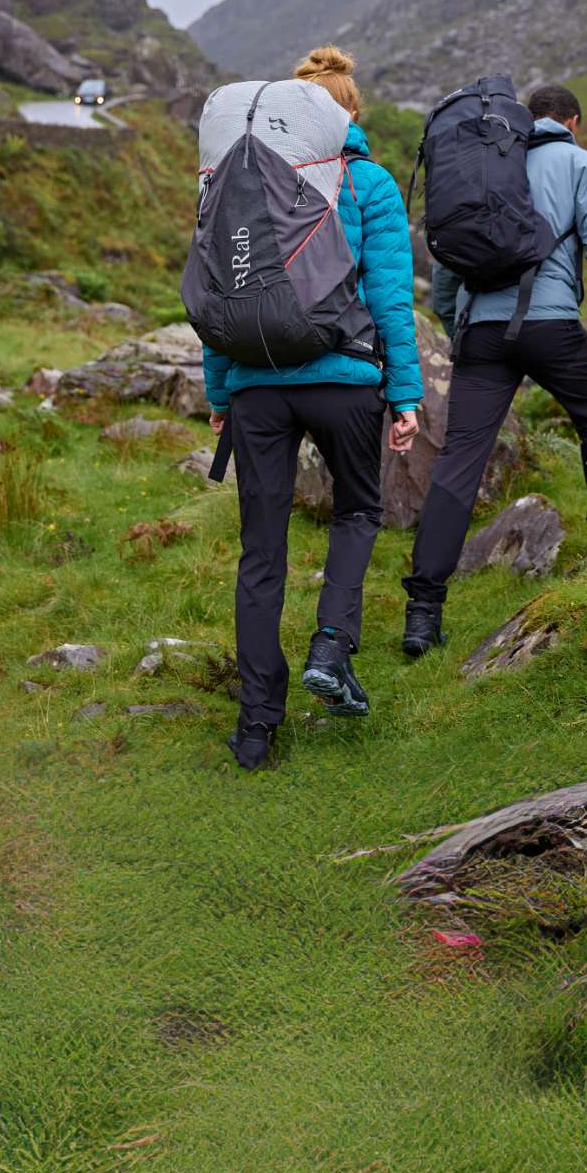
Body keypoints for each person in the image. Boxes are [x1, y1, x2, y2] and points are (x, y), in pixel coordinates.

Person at [201, 47, 424, 771]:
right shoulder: (368, 182)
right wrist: (406, 394)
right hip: (345, 380)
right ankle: (330, 645)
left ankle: (257, 726)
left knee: (261, 552)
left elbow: (220, 290)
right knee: (357, 511)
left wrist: (220, 392)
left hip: (257, 386)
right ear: (347, 113)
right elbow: (390, 298)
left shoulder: (236, 181)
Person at [400, 81, 587, 659]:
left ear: (526, 119)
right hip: (551, 323)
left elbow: (451, 260)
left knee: (460, 458)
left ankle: (423, 611)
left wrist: (458, 324)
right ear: (572, 122)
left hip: (482, 329)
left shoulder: (484, 163)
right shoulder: (581, 164)